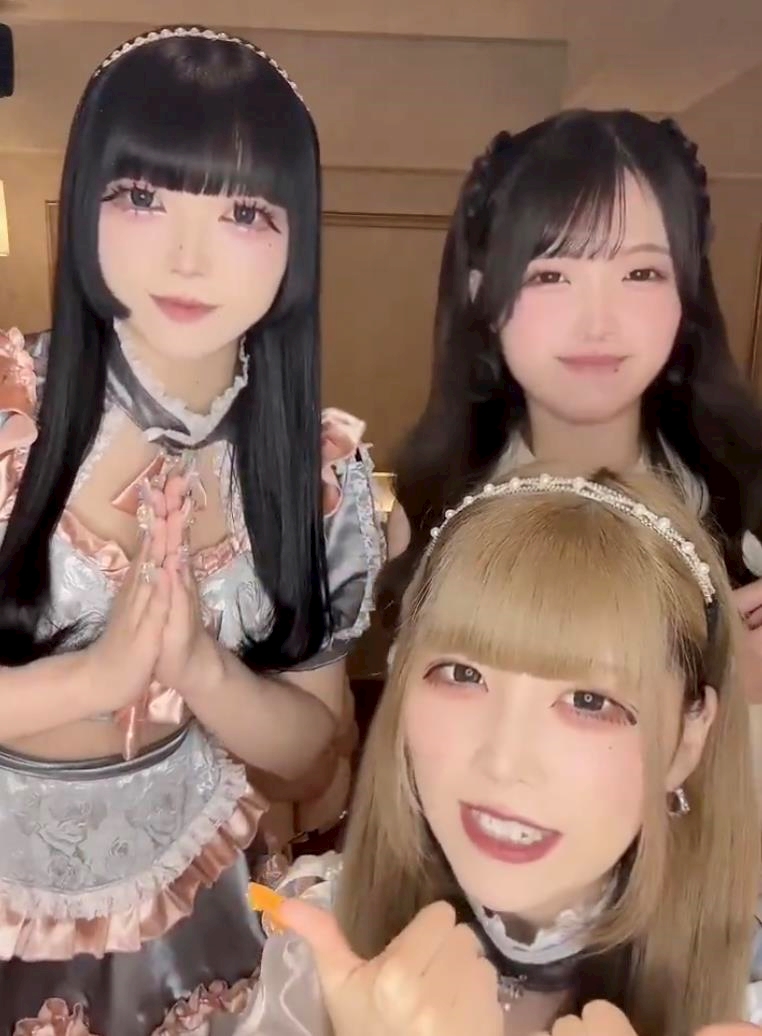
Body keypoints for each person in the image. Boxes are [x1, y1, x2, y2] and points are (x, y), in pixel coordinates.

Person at [0, 24, 381, 1035]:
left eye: (243, 212)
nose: (187, 255)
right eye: (142, 198)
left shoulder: (316, 475)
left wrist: (204, 668)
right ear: (83, 199)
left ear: (297, 236)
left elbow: (310, 759)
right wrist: (95, 679)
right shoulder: (7, 411)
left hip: (192, 913)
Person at [242, 469, 761, 1035]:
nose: (503, 762)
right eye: (462, 674)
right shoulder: (321, 941)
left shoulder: (746, 997)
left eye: (589, 701)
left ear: (687, 739)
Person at [380, 110, 762, 712]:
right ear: (481, 293)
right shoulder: (425, 512)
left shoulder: (748, 493)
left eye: (641, 272)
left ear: (685, 293)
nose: (597, 322)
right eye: (552, 275)